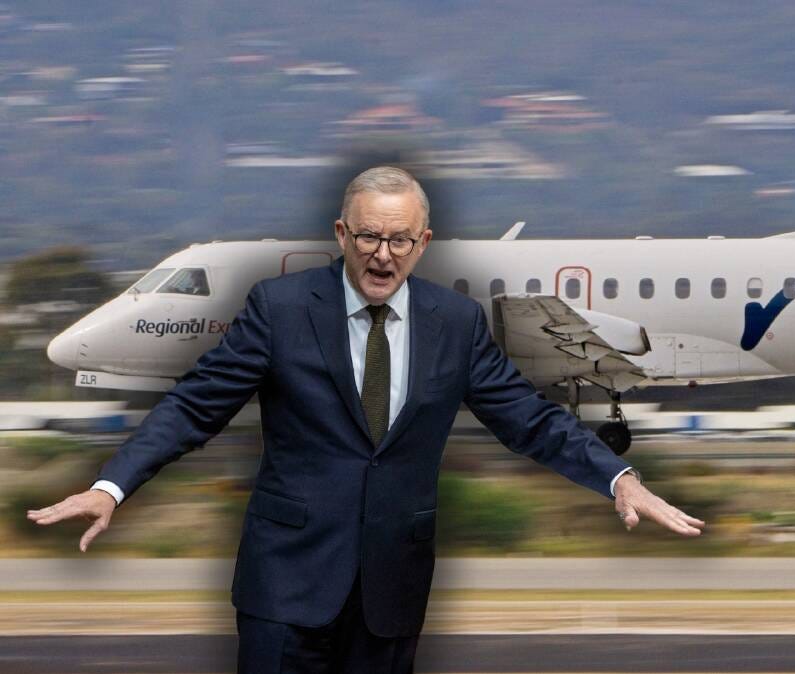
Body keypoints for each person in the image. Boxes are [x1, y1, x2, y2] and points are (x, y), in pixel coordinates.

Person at [26, 166, 705, 673]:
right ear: (342, 235)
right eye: (371, 237)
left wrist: (618, 479)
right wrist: (110, 486)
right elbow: (194, 406)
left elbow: (529, 418)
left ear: (424, 242)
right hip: (286, 591)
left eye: (401, 240)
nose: (384, 254)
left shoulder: (455, 324)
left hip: (390, 596)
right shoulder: (279, 308)